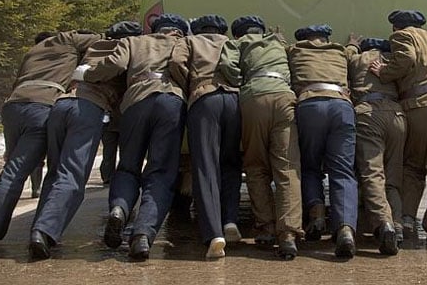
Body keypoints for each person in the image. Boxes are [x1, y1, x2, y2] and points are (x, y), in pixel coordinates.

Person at [0, 30, 101, 256]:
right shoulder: (67, 39)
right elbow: (100, 39)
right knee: (23, 174)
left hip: (13, 107)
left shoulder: (32, 52)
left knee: (11, 170)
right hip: (41, 107)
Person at [78, 14, 189, 260]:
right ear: (180, 31)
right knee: (160, 171)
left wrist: (86, 75)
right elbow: (184, 68)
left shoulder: (134, 42)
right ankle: (142, 235)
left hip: (136, 101)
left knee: (128, 166)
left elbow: (114, 65)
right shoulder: (183, 44)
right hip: (170, 101)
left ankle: (119, 209)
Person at [27, 21, 141, 260]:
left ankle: (39, 228)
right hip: (87, 109)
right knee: (73, 176)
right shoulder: (126, 50)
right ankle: (44, 231)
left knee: (55, 172)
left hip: (61, 104)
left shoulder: (93, 47)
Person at [218, 15, 304, 259]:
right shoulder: (278, 43)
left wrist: (243, 81)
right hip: (284, 96)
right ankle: (288, 235)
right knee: (287, 168)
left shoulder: (236, 43)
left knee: (256, 166)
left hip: (254, 97)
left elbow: (227, 66)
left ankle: (266, 228)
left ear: (238, 33)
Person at [369, 10, 427, 250]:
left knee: (413, 167)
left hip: (417, 107)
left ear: (396, 27)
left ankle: (406, 220)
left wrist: (384, 72)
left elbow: (406, 57)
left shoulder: (402, 37)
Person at [169, 14, 242, 260]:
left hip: (204, 99)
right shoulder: (231, 43)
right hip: (234, 100)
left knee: (206, 166)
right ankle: (230, 220)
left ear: (198, 29)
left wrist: (191, 85)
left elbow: (176, 64)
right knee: (231, 162)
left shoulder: (190, 42)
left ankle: (213, 233)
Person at [287, 24, 359, 259]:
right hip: (341, 105)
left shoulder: (295, 51)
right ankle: (345, 229)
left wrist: (276, 38)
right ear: (326, 38)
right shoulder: (339, 51)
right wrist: (353, 43)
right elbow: (352, 52)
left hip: (310, 105)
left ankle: (317, 215)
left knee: (310, 166)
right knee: (343, 171)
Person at [347, 37, 405, 255]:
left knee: (373, 173)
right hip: (397, 115)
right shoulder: (391, 59)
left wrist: (352, 44)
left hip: (368, 113)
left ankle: (383, 223)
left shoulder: (356, 59)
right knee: (393, 176)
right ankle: (397, 225)